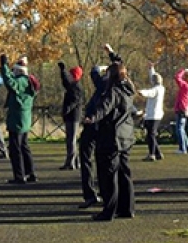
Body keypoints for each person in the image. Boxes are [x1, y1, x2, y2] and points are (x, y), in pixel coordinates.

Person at [84, 62, 136, 221]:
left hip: (111, 137)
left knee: (108, 176)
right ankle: (127, 208)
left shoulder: (113, 92)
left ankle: (109, 210)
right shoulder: (129, 90)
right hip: (126, 136)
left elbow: (104, 108)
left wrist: (92, 118)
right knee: (124, 173)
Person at [77, 45, 121, 209]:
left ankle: (90, 194)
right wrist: (111, 53)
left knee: (87, 157)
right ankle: (102, 193)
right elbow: (118, 64)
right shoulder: (118, 86)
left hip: (93, 122)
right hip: (103, 126)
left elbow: (94, 71)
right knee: (99, 160)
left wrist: (103, 64)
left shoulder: (104, 83)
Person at [0, 55, 39, 184]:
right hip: (24, 118)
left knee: (15, 149)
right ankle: (30, 173)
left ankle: (19, 175)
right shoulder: (27, 81)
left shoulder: (22, 81)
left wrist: (4, 67)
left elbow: (11, 83)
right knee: (24, 147)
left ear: (18, 70)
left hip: (17, 119)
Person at [58, 62, 84, 170]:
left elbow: (75, 100)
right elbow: (65, 82)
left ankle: (70, 162)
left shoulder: (76, 87)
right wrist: (62, 71)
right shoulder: (74, 85)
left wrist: (67, 109)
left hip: (73, 116)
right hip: (72, 116)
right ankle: (76, 161)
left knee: (71, 140)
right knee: (71, 139)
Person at [138, 62, 165, 161]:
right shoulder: (161, 88)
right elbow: (153, 78)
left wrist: (142, 92)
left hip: (152, 115)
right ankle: (157, 153)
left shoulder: (155, 90)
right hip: (156, 115)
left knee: (151, 135)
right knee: (151, 134)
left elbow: (150, 93)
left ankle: (152, 154)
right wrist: (151, 69)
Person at [173, 67, 188, 154]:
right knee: (182, 129)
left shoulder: (184, 86)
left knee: (179, 129)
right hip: (185, 109)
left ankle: (182, 148)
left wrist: (183, 71)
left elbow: (177, 77)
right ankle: (187, 147)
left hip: (181, 109)